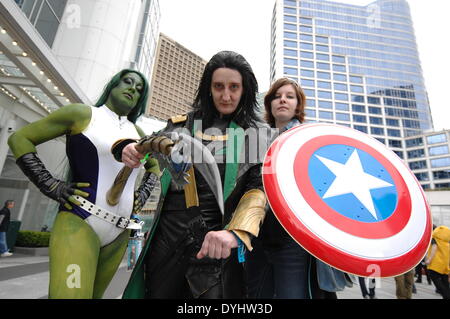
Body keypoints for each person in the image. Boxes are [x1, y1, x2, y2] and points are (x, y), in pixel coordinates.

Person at [117, 51, 268, 299]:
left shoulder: (255, 133)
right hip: (167, 239)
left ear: (245, 90)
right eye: (218, 86)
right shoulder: (181, 124)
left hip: (215, 242)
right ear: (208, 87)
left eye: (234, 87)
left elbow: (258, 189)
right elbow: (145, 145)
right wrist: (127, 148)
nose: (226, 95)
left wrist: (236, 232)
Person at [7, 69, 158, 298]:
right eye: (127, 82)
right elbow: (19, 139)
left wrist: (142, 194)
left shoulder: (138, 133)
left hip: (119, 233)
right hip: (79, 222)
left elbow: (154, 168)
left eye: (139, 90)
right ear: (112, 86)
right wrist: (51, 185)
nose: (132, 90)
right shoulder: (82, 114)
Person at [245, 77, 352, 299]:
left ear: (297, 105)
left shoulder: (310, 140)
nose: (282, 100)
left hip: (293, 242)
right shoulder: (255, 140)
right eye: (277, 96)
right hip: (257, 237)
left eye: (289, 96)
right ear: (269, 104)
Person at [425, 225, 450, 299]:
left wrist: (429, 259)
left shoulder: (434, 239)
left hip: (435, 265)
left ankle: (446, 295)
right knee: (446, 283)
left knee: (435, 279)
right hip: (444, 266)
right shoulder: (447, 242)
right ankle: (447, 295)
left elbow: (434, 248)